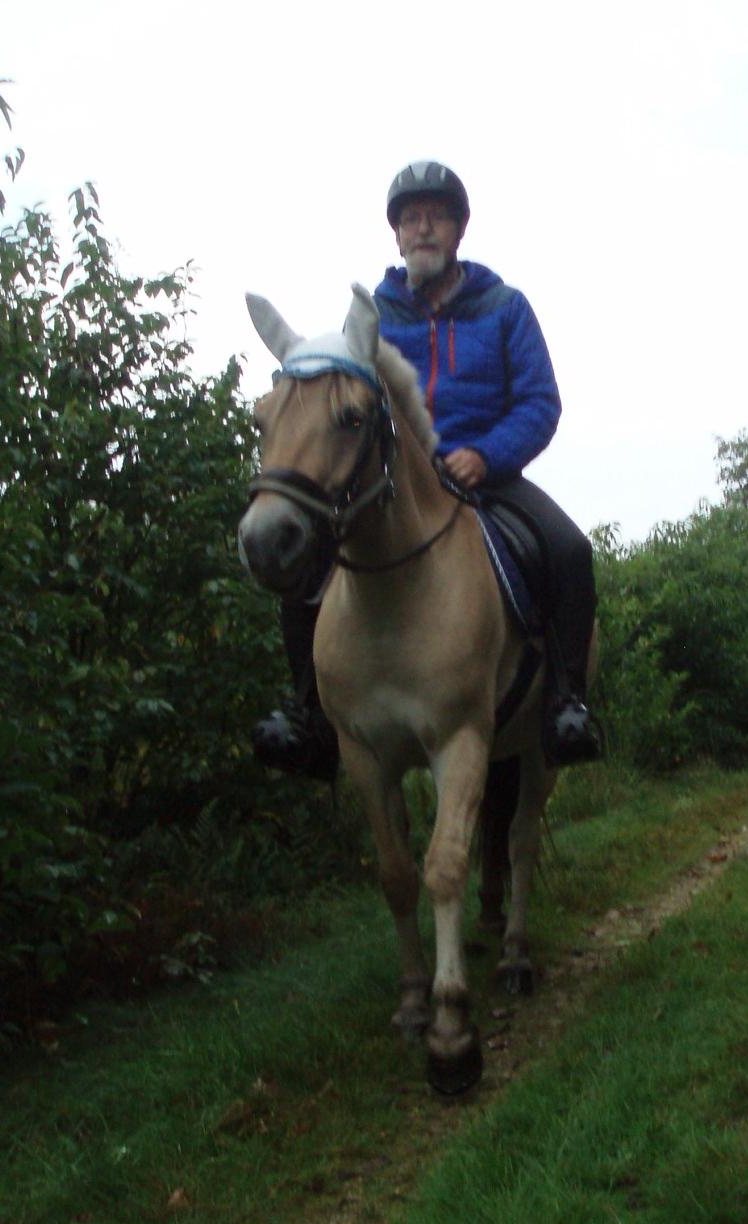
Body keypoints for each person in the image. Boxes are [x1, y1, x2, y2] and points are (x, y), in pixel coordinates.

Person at [253, 160, 599, 781]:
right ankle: (308, 711)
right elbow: (344, 398)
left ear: (459, 229)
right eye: (410, 219)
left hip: (487, 475)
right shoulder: (372, 315)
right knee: (310, 567)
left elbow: (541, 402)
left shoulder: (505, 306)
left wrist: (487, 453)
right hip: (398, 481)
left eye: (436, 217)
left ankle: (566, 702)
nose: (423, 229)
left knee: (569, 550)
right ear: (396, 234)